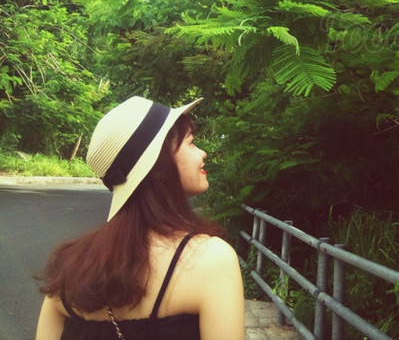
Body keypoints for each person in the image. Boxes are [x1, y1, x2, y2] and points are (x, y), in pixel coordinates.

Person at [35, 96, 245, 340]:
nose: (203, 153)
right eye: (191, 142)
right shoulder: (211, 259)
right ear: (160, 162)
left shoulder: (69, 269)